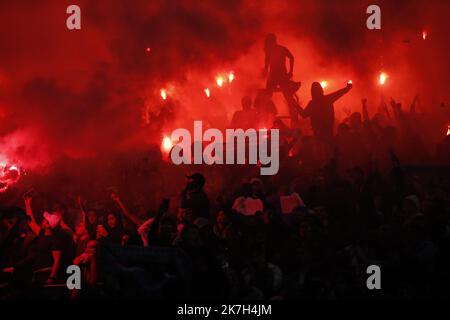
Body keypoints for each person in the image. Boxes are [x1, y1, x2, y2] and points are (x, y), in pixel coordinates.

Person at [297, 82, 352, 148]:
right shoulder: (327, 99)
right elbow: (338, 93)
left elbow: (303, 114)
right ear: (321, 90)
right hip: (327, 135)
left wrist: (295, 105)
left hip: (318, 136)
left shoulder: (313, 104)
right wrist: (347, 88)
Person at [263, 33, 301, 125]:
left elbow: (291, 57)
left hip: (281, 75)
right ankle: (268, 114)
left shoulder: (280, 49)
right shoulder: (269, 51)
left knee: (287, 96)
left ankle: (294, 114)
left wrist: (291, 71)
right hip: (275, 76)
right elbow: (267, 64)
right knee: (267, 96)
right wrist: (265, 74)